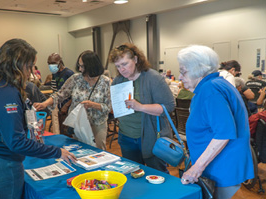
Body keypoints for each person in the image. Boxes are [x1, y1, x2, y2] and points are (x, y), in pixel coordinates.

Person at [0, 38, 76, 199]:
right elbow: (16, 142)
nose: (31, 72)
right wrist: (56, 152)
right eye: (30, 66)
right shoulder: (4, 90)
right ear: (18, 65)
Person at [178, 45, 254, 199]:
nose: (180, 77)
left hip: (222, 165)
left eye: (183, 72)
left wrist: (196, 169)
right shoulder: (217, 84)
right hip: (221, 163)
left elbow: (224, 133)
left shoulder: (210, 90)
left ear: (198, 70)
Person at [108, 43, 175, 172]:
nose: (121, 69)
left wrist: (141, 107)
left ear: (136, 59)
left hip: (151, 137)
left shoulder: (153, 78)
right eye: (118, 66)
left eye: (125, 64)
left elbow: (169, 107)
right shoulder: (118, 80)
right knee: (134, 175)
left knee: (157, 175)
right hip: (126, 136)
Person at [35, 50, 111, 150]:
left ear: (91, 66)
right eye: (79, 65)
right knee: (80, 151)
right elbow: (59, 95)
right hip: (79, 124)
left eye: (82, 66)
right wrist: (45, 103)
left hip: (97, 124)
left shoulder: (105, 82)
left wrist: (93, 105)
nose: (79, 69)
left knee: (99, 151)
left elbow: (109, 107)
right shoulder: (75, 79)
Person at [47, 53, 74, 135]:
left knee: (67, 132)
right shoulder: (54, 74)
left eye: (53, 64)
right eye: (49, 64)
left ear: (60, 62)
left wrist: (66, 105)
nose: (51, 66)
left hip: (68, 108)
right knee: (59, 131)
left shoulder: (69, 74)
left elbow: (75, 93)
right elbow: (55, 91)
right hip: (58, 107)